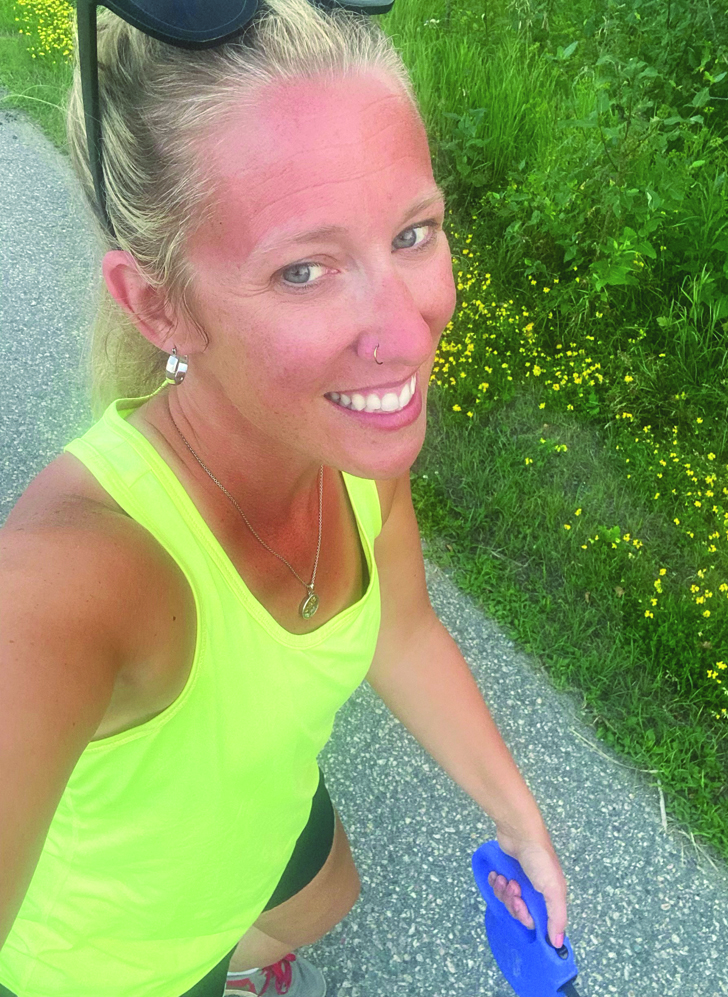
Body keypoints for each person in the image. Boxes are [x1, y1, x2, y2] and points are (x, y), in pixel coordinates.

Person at [0, 0, 568, 994]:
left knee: (328, 894)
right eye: (304, 270)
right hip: (112, 965)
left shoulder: (351, 448)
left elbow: (401, 630)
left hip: (252, 813)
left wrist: (519, 817)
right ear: (159, 305)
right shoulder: (73, 577)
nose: (408, 333)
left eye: (413, 232)